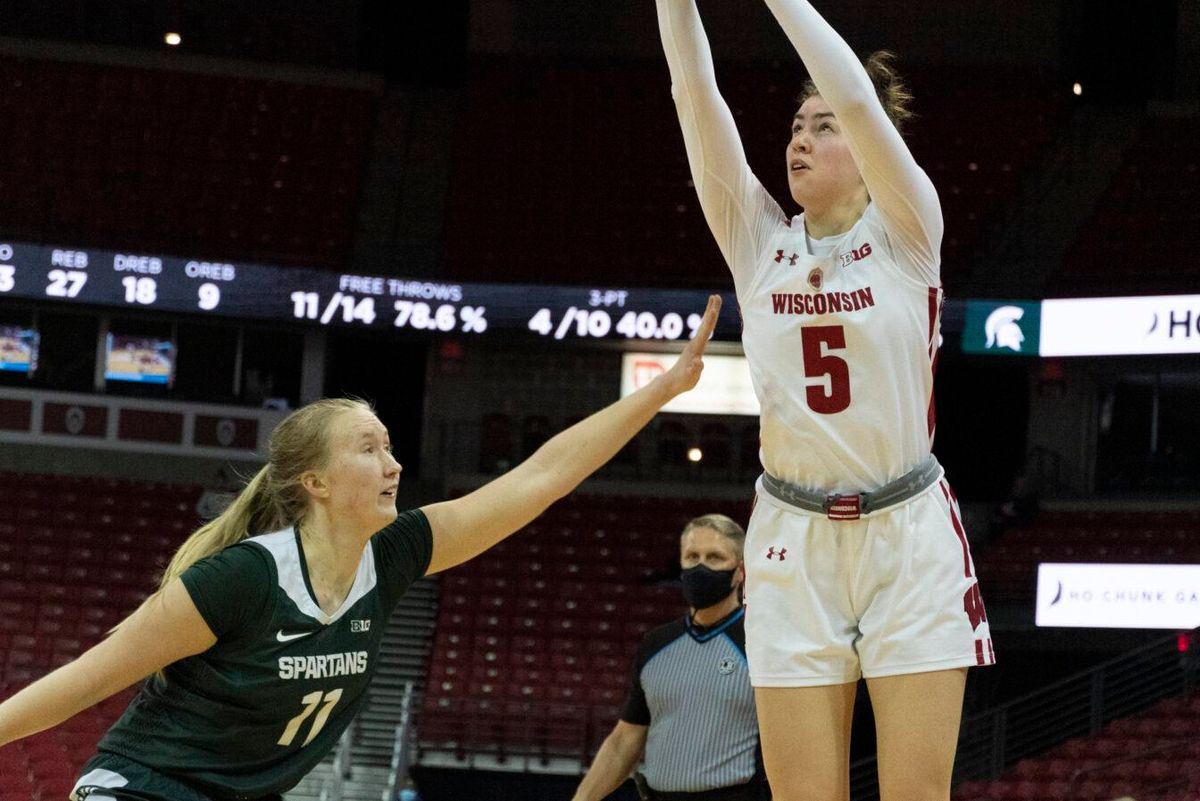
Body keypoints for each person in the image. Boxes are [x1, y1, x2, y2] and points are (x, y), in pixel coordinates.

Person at [0, 296, 722, 801]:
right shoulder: (243, 578)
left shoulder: (397, 553)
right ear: (314, 480)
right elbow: (85, 681)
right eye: (370, 449)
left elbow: (543, 477)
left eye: (390, 446)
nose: (393, 464)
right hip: (146, 790)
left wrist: (660, 390)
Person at [654, 2, 994, 800]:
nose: (798, 138)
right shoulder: (757, 241)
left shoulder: (910, 227)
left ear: (869, 139)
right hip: (791, 537)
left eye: (823, 124)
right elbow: (694, 94)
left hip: (908, 535)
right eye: (795, 126)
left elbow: (857, 94)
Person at [572, 514, 767, 801]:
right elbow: (625, 740)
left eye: (714, 558)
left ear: (741, 571)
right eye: (692, 557)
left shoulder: (760, 643)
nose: (700, 566)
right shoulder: (655, 643)